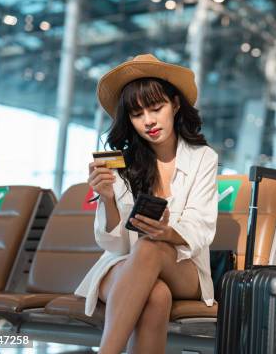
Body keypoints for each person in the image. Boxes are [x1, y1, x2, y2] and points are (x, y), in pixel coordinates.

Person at [74, 54, 219, 354]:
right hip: (122, 264)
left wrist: (167, 232)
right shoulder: (120, 164)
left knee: (151, 245)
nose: (149, 121)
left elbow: (201, 226)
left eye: (156, 108)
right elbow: (112, 244)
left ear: (175, 104)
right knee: (156, 296)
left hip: (182, 267)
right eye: (137, 114)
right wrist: (107, 198)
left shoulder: (204, 158)